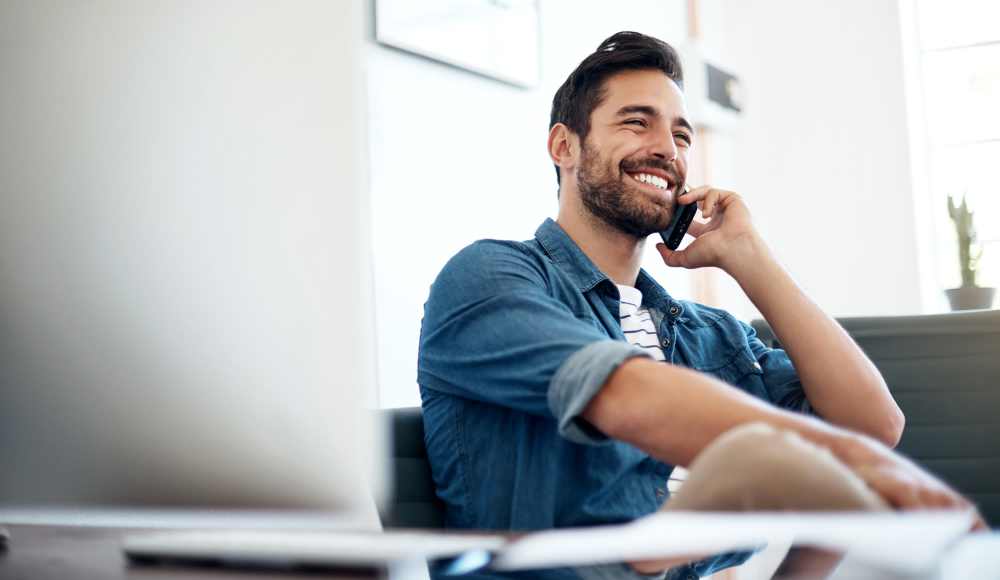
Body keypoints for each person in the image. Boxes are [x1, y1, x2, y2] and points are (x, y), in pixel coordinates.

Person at [417, 31, 983, 580]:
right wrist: (817, 457)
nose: (667, 149)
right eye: (637, 122)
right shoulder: (490, 278)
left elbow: (873, 425)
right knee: (785, 455)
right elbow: (627, 397)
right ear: (564, 146)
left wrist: (750, 257)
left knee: (824, 471)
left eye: (682, 136)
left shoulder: (710, 335)